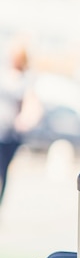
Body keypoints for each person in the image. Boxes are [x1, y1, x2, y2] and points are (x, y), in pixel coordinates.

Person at [0, 43, 31, 203]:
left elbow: (26, 104)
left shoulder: (24, 80)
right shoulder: (3, 74)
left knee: (3, 171)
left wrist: (23, 120)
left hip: (10, 134)